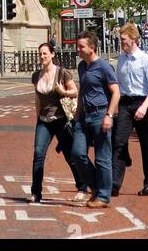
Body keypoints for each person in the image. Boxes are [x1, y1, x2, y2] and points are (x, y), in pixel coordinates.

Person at [70, 30, 120, 208]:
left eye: (81, 47)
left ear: (92, 48)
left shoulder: (104, 67)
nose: (78, 49)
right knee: (76, 154)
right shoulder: (82, 66)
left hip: (100, 115)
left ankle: (104, 196)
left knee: (102, 158)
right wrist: (76, 115)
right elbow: (83, 89)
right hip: (84, 116)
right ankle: (96, 187)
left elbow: (116, 92)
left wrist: (109, 115)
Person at [113, 22, 148, 197]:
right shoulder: (121, 59)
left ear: (134, 39)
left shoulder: (146, 60)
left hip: (143, 102)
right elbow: (118, 84)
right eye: (120, 39)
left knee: (147, 146)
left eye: (124, 39)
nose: (121, 42)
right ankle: (114, 183)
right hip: (125, 103)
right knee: (118, 142)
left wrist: (144, 107)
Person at [29, 40, 79, 204]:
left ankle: (82, 186)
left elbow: (74, 91)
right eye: (40, 54)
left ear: (52, 54)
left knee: (70, 155)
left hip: (60, 120)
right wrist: (37, 117)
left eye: (45, 53)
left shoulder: (62, 73)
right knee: (38, 155)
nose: (42, 56)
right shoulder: (36, 76)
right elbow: (37, 98)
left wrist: (62, 91)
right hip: (43, 120)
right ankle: (36, 192)